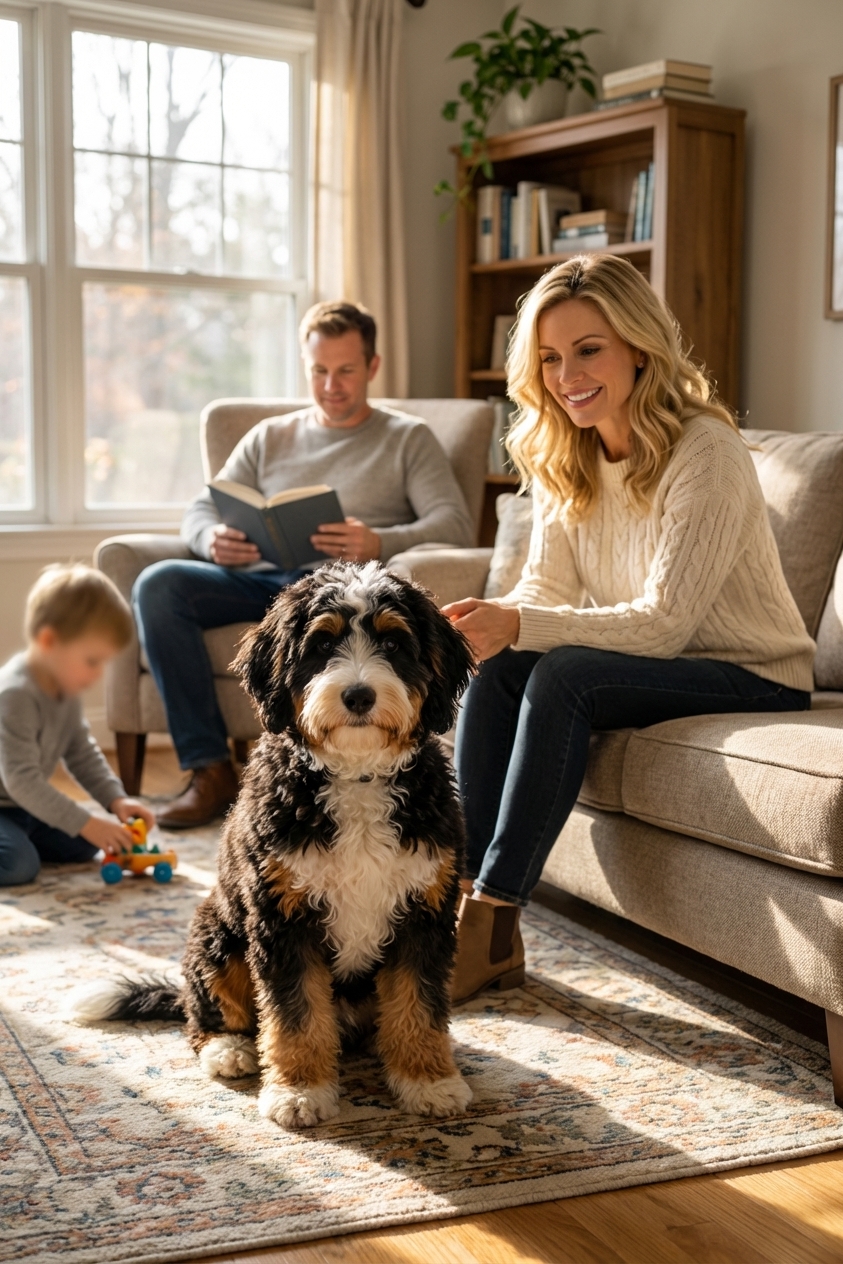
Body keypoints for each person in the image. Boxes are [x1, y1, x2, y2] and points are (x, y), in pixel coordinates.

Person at [442, 254, 815, 1003]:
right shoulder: (564, 451)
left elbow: (664, 624)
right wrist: (491, 628)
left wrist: (520, 622)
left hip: (752, 673)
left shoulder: (704, 449)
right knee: (507, 664)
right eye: (548, 357)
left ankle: (490, 922)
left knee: (562, 673)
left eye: (588, 350)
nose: (565, 375)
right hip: (659, 663)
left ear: (638, 348)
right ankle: (449, 906)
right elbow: (544, 591)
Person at [133, 300, 474, 828]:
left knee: (336, 598)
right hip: (260, 580)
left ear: (373, 367)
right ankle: (208, 768)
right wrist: (211, 538)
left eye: (345, 371)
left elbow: (453, 523)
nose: (331, 385)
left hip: (345, 592)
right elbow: (202, 505)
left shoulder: (408, 438)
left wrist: (377, 539)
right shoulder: (270, 436)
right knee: (159, 585)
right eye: (319, 371)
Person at [0, 565, 156, 886]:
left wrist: (115, 800)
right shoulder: (15, 694)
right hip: (8, 802)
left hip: (25, 810)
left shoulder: (64, 690)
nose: (98, 674)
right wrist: (86, 822)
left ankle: (23, 838)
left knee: (89, 845)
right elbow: (20, 780)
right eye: (91, 661)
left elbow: (82, 754)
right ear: (49, 642)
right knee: (18, 866)